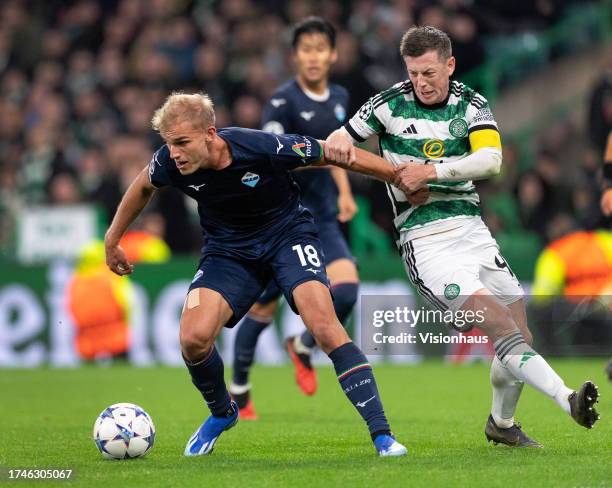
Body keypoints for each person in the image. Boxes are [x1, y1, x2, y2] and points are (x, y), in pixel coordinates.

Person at [325, 26, 600, 448]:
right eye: (414, 73)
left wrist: (430, 171)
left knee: (520, 338)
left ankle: (501, 425)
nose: (421, 82)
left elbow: (491, 160)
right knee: (497, 323)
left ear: (450, 65)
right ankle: (567, 399)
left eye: (430, 73)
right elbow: (339, 142)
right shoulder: (388, 104)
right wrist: (380, 167)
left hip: (474, 232)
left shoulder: (472, 105)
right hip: (425, 241)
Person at [104, 92, 408, 457]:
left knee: (325, 326)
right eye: (169, 144)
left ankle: (383, 436)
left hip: (287, 237)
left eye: (183, 142)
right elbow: (142, 186)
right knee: (193, 339)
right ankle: (222, 413)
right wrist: (112, 239)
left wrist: (397, 176)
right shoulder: (169, 163)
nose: (175, 153)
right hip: (228, 252)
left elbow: (333, 153)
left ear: (210, 134)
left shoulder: (261, 146)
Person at [230, 17, 359, 419]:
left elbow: (336, 150)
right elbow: (273, 157)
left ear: (333, 54)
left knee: (348, 290)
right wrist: (314, 157)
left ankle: (303, 344)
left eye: (321, 48)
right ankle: (239, 389)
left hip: (322, 215)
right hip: (282, 218)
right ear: (295, 56)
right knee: (264, 308)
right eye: (306, 49)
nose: (314, 56)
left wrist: (345, 191)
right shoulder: (281, 103)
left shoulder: (340, 96)